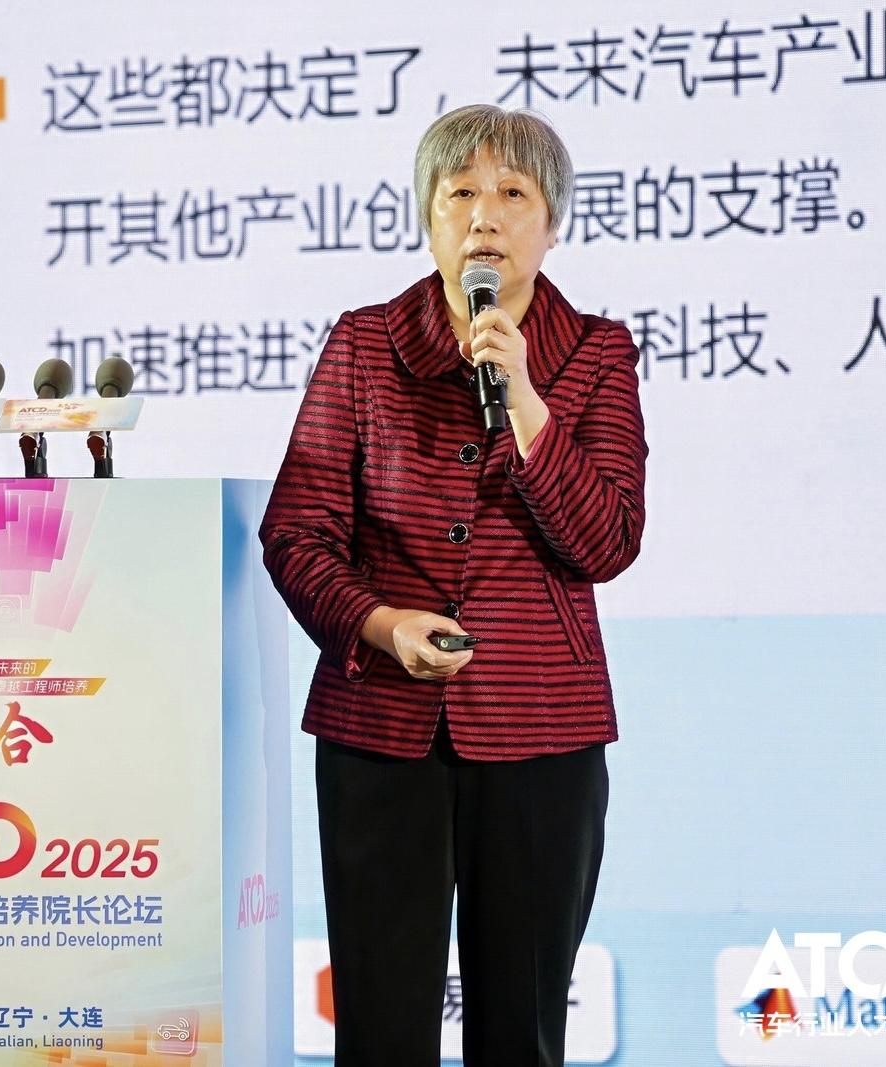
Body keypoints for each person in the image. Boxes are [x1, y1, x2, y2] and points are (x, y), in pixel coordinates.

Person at [259, 104, 647, 1067]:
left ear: (550, 225)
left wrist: (527, 403)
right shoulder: (364, 345)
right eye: (460, 191)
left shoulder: (596, 355)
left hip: (542, 730)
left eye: (513, 193)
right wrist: (381, 623)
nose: (485, 215)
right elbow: (298, 532)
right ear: (428, 218)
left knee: (521, 1031)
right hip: (380, 730)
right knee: (382, 1034)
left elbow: (606, 540)